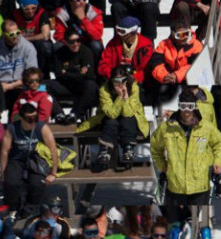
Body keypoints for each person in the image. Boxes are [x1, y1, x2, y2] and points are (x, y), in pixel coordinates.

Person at [151, 90, 221, 218]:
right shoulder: (166, 128)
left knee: (197, 223)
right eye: (183, 106)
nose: (187, 110)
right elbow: (155, 148)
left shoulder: (206, 127)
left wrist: (217, 161)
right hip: (176, 187)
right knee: (176, 223)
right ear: (179, 106)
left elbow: (218, 143)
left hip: (200, 187)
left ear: (195, 106)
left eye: (190, 106)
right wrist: (162, 166)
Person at [77, 66, 149, 167]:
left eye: (122, 80)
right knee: (111, 121)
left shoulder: (133, 87)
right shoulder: (104, 90)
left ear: (126, 79)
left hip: (130, 116)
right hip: (109, 117)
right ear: (111, 80)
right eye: (116, 81)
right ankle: (105, 150)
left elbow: (128, 113)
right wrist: (120, 97)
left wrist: (126, 97)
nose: (120, 84)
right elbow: (111, 113)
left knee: (127, 120)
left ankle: (128, 148)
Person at [0, 102, 58, 219]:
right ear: (21, 118)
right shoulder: (12, 128)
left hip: (35, 159)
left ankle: (29, 204)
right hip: (17, 158)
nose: (32, 121)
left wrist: (53, 173)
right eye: (29, 119)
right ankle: (13, 207)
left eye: (35, 118)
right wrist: (2, 172)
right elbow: (4, 152)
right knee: (11, 182)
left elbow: (53, 150)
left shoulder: (41, 127)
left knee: (37, 183)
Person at [46, 27, 98, 125]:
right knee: (42, 85)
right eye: (72, 42)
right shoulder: (60, 53)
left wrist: (66, 73)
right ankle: (58, 113)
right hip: (64, 85)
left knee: (92, 86)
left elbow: (89, 75)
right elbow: (58, 74)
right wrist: (79, 73)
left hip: (80, 85)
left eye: (78, 40)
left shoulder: (86, 52)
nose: (76, 44)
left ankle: (75, 113)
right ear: (65, 42)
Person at [0, 19, 38, 111]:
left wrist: (10, 86)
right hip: (0, 86)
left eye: (17, 33)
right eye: (11, 34)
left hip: (21, 86)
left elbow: (32, 76)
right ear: (3, 34)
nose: (15, 36)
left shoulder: (28, 47)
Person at [149, 20, 203, 103]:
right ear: (173, 34)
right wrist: (164, 76)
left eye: (187, 33)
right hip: (168, 79)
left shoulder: (196, 45)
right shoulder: (163, 44)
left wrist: (177, 76)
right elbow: (155, 64)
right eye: (180, 35)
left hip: (187, 79)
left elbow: (195, 66)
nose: (184, 37)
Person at [97, 16, 153, 85]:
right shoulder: (113, 43)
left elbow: (146, 70)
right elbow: (103, 65)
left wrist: (134, 78)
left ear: (133, 32)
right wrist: (113, 75)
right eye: (118, 30)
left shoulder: (146, 46)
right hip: (115, 80)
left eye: (122, 32)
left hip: (136, 81)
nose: (119, 34)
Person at [12, 0, 52, 78]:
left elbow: (45, 35)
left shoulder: (41, 13)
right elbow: (12, 33)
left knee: (43, 46)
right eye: (26, 9)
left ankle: (44, 76)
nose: (30, 11)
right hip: (21, 44)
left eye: (33, 8)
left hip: (37, 43)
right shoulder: (15, 15)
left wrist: (26, 38)